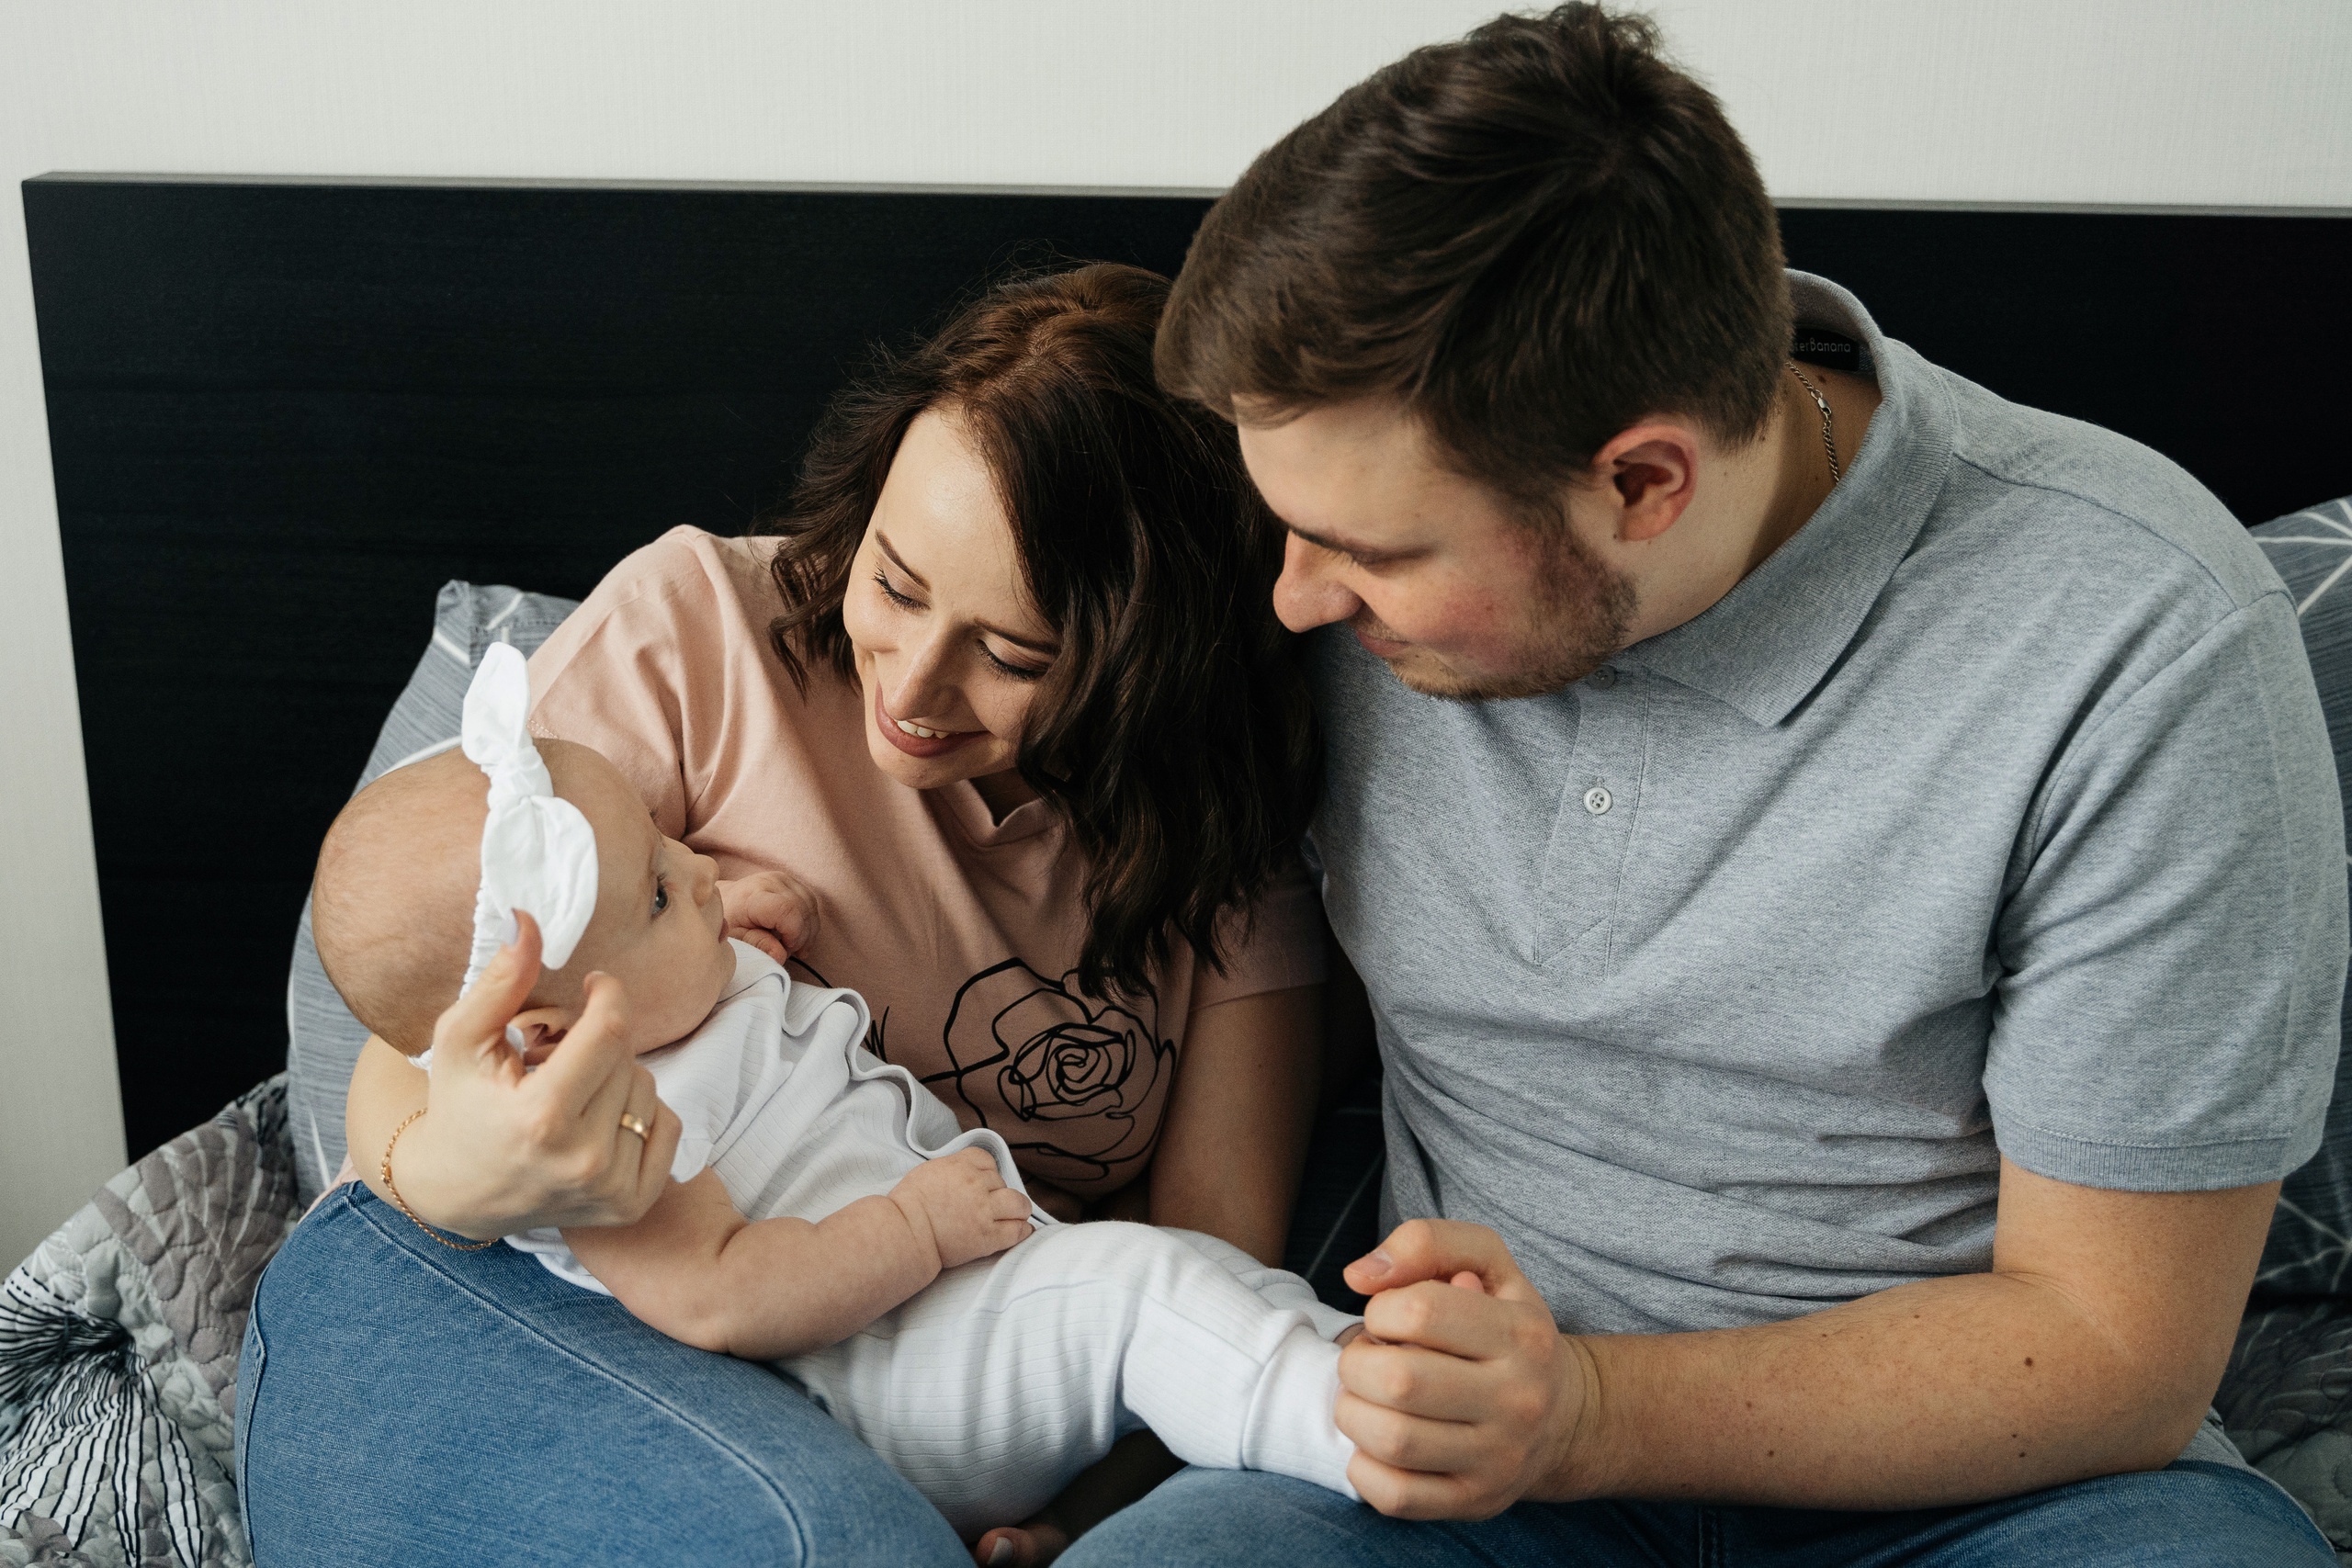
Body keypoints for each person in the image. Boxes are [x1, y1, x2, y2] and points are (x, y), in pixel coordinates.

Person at [1057, 6, 2347, 1566]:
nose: (1292, 601)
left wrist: (1589, 1409)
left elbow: (2115, 1347)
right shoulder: (1335, 547)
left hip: (2002, 1492)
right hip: (1453, 1472)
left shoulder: (2132, 635)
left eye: (1378, 553)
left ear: (1644, 482)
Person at [239, 264, 1329, 1566]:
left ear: (1156, 659)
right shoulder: (700, 631)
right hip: (504, 1287)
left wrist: (1083, 1520)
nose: (915, 687)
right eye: (897, 581)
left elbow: (1207, 1257)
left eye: (1015, 653)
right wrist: (464, 1172)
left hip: (921, 1357)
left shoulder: (1222, 828)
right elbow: (426, 1023)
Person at [300, 644, 1359, 1535]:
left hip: (972, 1295)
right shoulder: (601, 1134)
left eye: (669, 838)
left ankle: (1368, 1375)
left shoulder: (657, 995)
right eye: (664, 889)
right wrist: (912, 1230)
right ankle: (1362, 1437)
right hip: (896, 1370)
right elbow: (719, 1294)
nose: (700, 865)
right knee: (1134, 1297)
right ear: (547, 1031)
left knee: (1204, 1280)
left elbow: (674, 965)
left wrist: (717, 924)